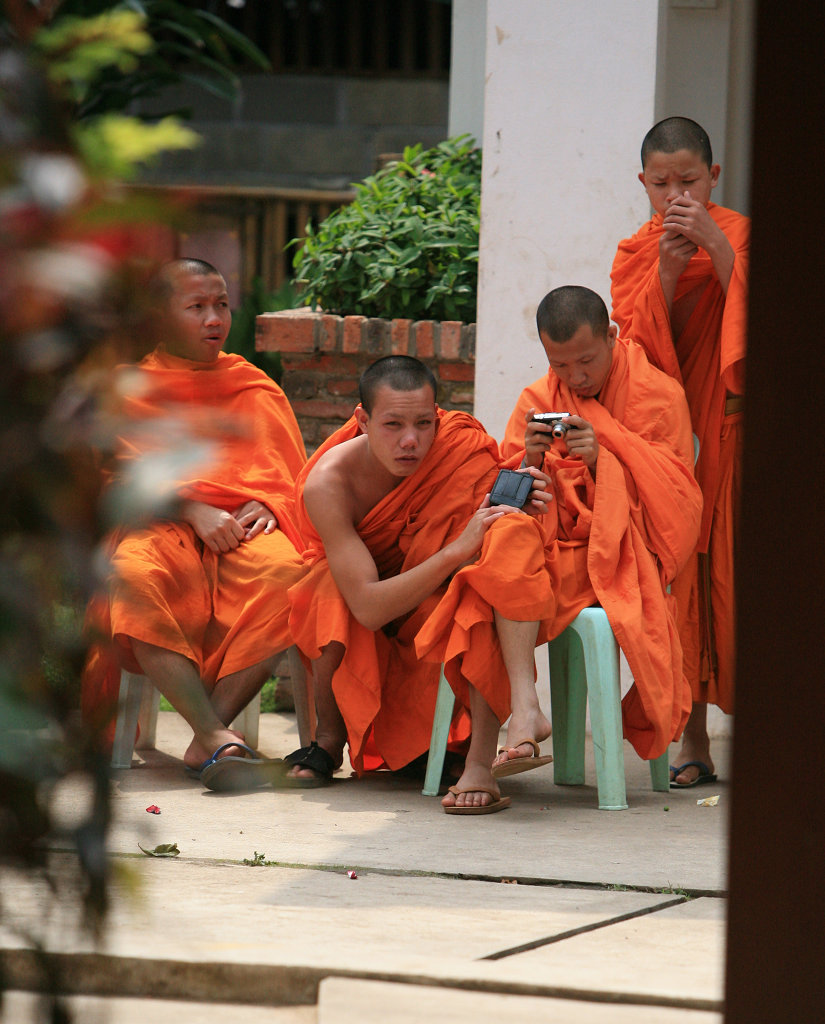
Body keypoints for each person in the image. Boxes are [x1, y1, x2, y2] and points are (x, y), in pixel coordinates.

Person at [284, 355, 556, 814]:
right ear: (362, 420)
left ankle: (481, 759)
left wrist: (524, 486)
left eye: (424, 424)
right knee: (324, 587)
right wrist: (455, 551)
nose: (411, 441)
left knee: (486, 577)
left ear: (438, 418)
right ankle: (327, 743)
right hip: (368, 603)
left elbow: (485, 532)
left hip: (430, 599)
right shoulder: (330, 483)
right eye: (393, 425)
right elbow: (368, 606)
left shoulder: (459, 448)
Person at [81, 258, 308, 791]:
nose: (215, 319)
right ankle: (213, 734)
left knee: (293, 576)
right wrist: (190, 509)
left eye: (222, 305)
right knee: (131, 581)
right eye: (197, 307)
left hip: (241, 533)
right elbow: (115, 483)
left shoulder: (253, 386)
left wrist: (271, 505)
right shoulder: (129, 388)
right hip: (158, 529)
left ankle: (208, 733)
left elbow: (293, 478)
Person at [491, 285, 703, 765]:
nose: (575, 377)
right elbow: (508, 497)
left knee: (502, 579)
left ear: (611, 335)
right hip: (559, 548)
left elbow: (678, 508)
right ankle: (523, 710)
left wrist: (603, 463)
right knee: (493, 563)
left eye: (586, 360)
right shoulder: (539, 397)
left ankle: (516, 724)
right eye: (560, 365)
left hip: (628, 555)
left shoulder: (659, 397)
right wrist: (530, 457)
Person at [610, 117, 749, 787]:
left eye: (688, 182)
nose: (675, 196)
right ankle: (692, 740)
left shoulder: (742, 236)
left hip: (734, 436)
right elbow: (633, 353)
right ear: (643, 184)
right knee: (687, 586)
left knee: (744, 586)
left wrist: (715, 245)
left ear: (712, 178)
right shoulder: (636, 251)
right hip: (670, 446)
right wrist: (665, 272)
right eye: (660, 184)